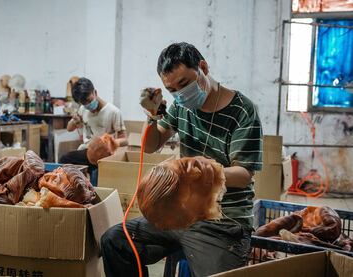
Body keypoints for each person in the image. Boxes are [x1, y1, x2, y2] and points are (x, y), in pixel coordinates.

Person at [101, 42, 263, 277]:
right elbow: (151, 146)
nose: (179, 94)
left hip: (223, 220)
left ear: (203, 68)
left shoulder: (242, 111)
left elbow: (243, 175)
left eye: (184, 84)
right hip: (181, 213)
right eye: (172, 89)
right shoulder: (181, 106)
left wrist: (192, 172)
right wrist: (153, 115)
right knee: (115, 240)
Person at [59, 77, 127, 175]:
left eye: (89, 100)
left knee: (65, 158)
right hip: (86, 151)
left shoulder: (113, 112)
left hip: (104, 153)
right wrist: (75, 120)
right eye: (83, 103)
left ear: (95, 92)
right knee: (65, 160)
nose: (87, 105)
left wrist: (110, 142)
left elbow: (125, 139)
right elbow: (69, 129)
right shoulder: (83, 109)